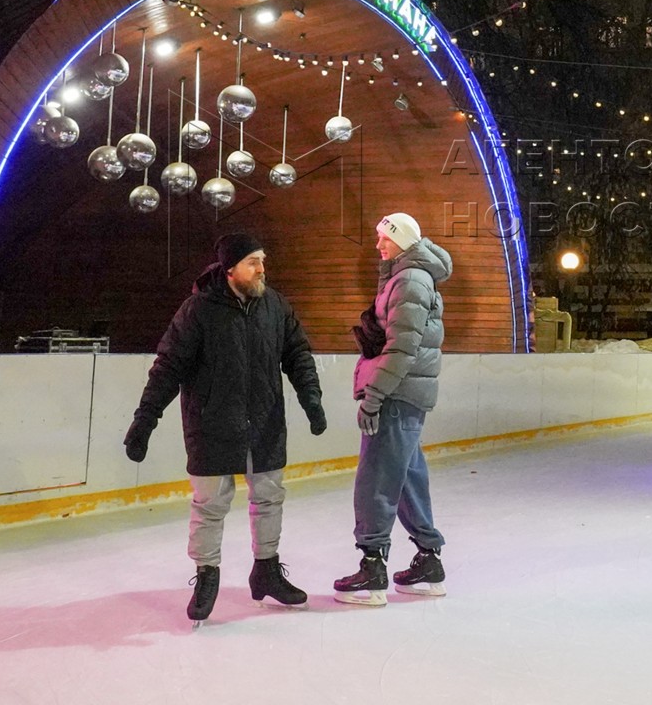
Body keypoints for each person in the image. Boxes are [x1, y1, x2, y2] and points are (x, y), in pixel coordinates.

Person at [124, 232, 326, 623]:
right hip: (212, 422)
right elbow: (168, 367)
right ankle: (206, 575)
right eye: (253, 262)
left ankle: (266, 569)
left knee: (269, 495)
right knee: (210, 504)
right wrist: (144, 420)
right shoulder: (198, 310)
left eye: (263, 260)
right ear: (231, 268)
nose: (262, 269)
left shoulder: (276, 306)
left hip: (265, 420)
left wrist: (311, 399)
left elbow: (298, 353)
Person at [334, 213, 453, 605]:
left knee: (378, 478)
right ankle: (428, 560)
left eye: (384, 238)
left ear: (401, 241)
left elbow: (402, 350)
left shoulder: (410, 281)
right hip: (406, 395)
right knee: (406, 476)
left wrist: (373, 397)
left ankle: (372, 568)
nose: (378, 245)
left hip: (397, 395)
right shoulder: (408, 276)